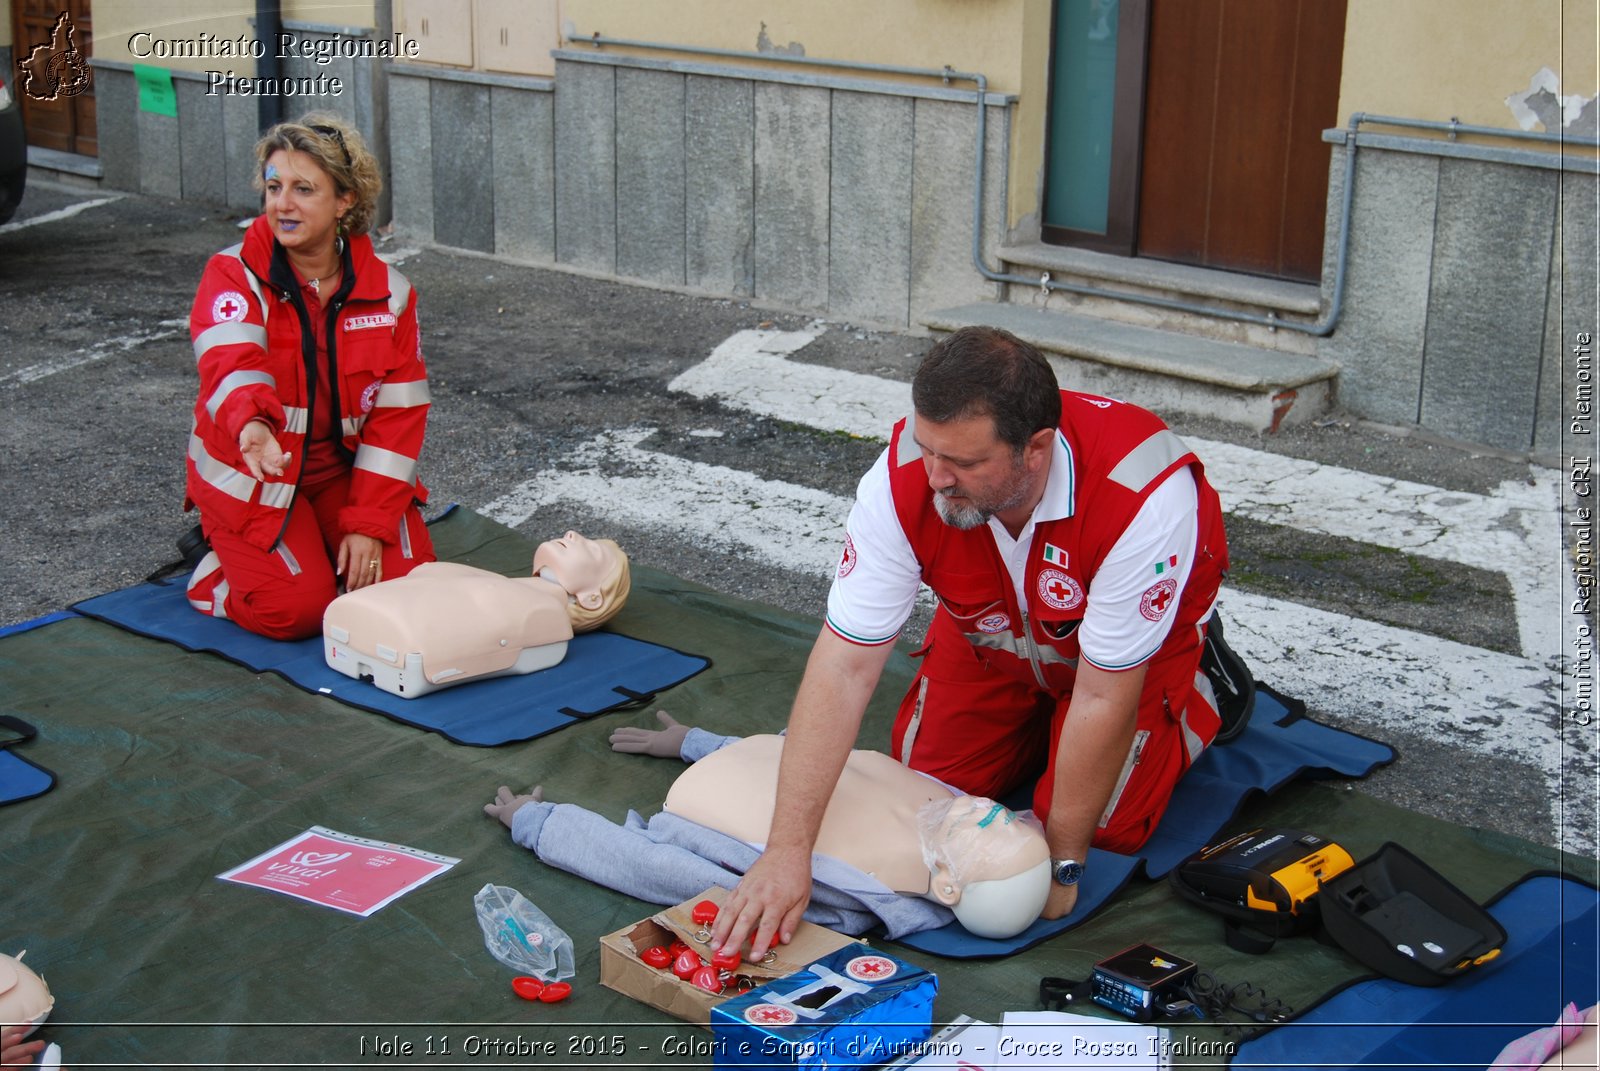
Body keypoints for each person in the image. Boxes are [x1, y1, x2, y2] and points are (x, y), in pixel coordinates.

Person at [712, 325, 1229, 960]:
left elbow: (1100, 695)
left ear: (1035, 449)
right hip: (994, 633)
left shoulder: (1143, 495)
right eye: (930, 450)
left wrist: (1065, 863)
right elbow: (845, 665)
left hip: (1118, 666)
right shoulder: (902, 479)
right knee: (924, 792)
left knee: (1110, 828)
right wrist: (786, 852)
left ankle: (1206, 688)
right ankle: (1038, 721)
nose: (936, 478)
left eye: (964, 462)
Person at [181, 112, 434, 641]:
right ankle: (214, 570)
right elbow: (231, 364)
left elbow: (397, 416)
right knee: (296, 613)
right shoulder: (232, 274)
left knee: (409, 592)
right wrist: (252, 426)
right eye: (274, 187)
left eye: (303, 189)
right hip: (258, 476)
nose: (282, 204)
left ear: (344, 201)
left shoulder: (391, 293)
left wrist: (368, 524)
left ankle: (316, 549)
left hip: (341, 473)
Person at [483, 712, 1052, 940]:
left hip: (703, 806)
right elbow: (825, 761)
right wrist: (697, 742)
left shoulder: (843, 899)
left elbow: (657, 869)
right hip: (752, 763)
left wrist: (542, 825)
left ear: (950, 886)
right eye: (1011, 818)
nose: (993, 810)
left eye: (992, 833)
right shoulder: (948, 807)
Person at [324, 533, 631, 695]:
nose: (572, 533)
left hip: (392, 634)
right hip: (384, 629)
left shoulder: (542, 612)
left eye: (590, 549)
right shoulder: (502, 586)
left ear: (592, 599)